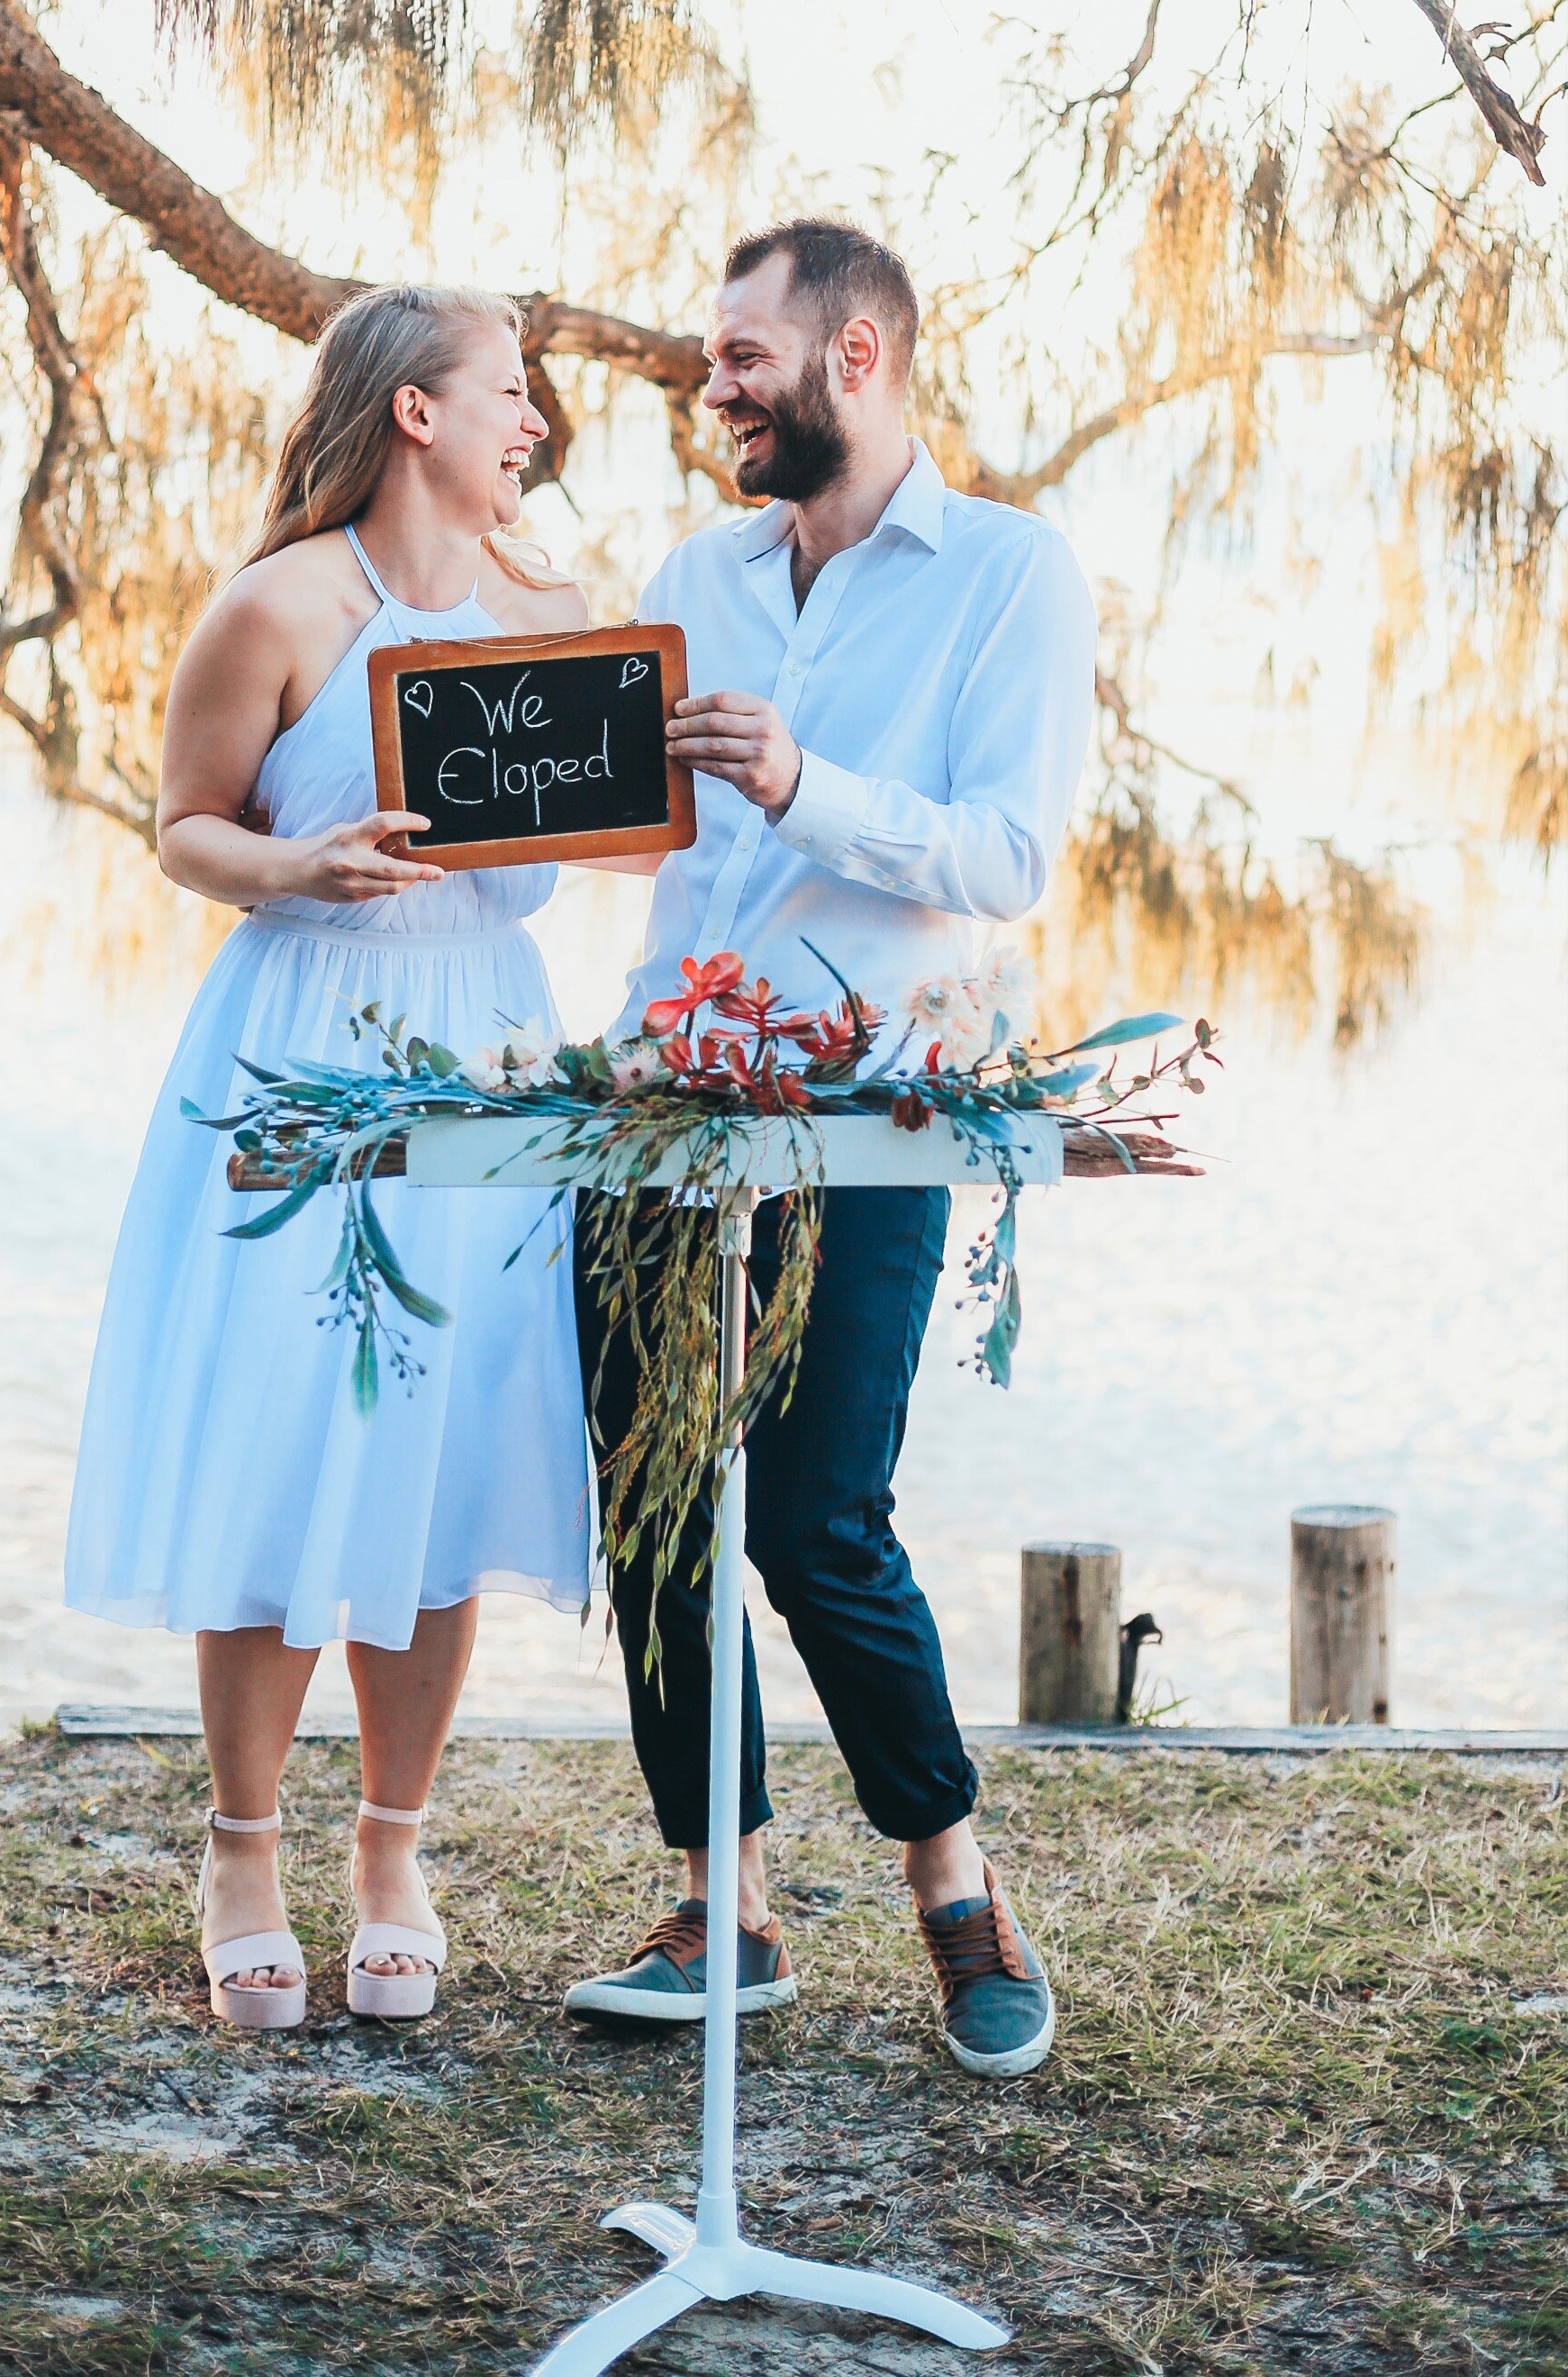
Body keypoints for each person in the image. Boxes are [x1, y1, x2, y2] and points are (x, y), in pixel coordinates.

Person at [564, 220, 1097, 2076]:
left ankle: (953, 1888)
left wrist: (808, 787)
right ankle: (724, 1904)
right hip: (659, 1089)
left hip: (877, 1094)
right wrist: (481, 807)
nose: (711, 385)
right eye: (714, 359)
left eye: (739, 356)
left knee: (814, 1518)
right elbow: (649, 843)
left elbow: (1009, 857)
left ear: (852, 359)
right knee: (646, 1513)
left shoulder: (1008, 574)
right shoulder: (688, 568)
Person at [65, 285, 594, 2030]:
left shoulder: (556, 614)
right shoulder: (275, 605)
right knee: (287, 1438)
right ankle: (239, 1843)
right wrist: (294, 870)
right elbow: (183, 828)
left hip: (486, 1048)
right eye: (508, 391)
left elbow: (607, 828)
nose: (536, 420)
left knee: (442, 1443)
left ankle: (390, 1844)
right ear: (419, 413)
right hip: (298, 1038)